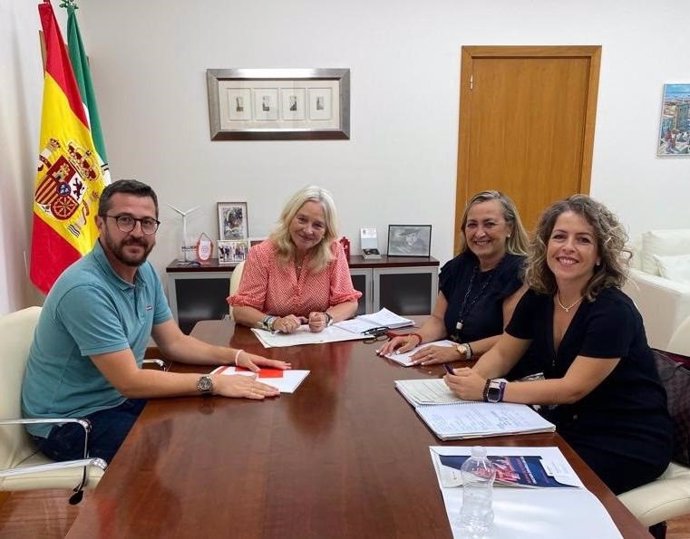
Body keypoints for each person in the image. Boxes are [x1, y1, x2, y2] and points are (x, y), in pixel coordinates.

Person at [21, 180, 289, 463]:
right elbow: (130, 382)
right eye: (125, 220)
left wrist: (235, 356)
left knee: (207, 422)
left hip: (115, 401)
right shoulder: (84, 289)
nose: (137, 233)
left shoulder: (144, 271)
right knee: (181, 455)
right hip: (69, 423)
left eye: (147, 223)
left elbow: (174, 343)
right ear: (100, 223)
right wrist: (213, 382)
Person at [444, 194, 673, 495]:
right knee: (472, 465)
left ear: (600, 254)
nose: (567, 248)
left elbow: (571, 388)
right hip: (569, 424)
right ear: (546, 245)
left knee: (512, 487)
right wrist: (474, 381)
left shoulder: (613, 310)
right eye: (559, 237)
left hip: (625, 438)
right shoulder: (540, 296)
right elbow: (503, 352)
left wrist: (489, 390)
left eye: (583, 240)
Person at [378, 191, 530, 368]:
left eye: (489, 224)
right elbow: (438, 320)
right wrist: (415, 338)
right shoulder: (458, 267)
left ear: (509, 228)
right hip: (457, 364)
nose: (479, 233)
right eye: (472, 225)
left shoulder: (519, 272)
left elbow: (511, 338)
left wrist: (459, 351)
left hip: (498, 369)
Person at [230, 185, 361, 334]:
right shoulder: (262, 253)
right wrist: (274, 322)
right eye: (302, 220)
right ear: (289, 217)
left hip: (317, 342)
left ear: (326, 230)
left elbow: (349, 303)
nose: (308, 230)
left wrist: (326, 318)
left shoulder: (334, 252)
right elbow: (241, 311)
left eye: (318, 225)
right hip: (272, 343)